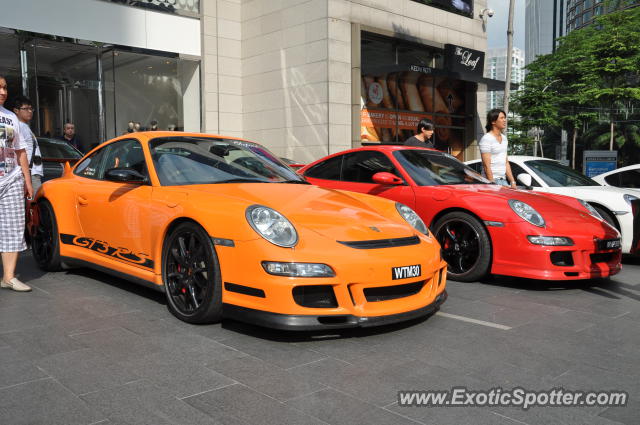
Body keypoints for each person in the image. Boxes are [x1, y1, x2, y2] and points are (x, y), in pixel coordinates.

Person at [0, 76, 34, 291]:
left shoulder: (11, 117)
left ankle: (8, 277)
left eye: (4, 87)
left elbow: (20, 151)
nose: (2, 91)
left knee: (13, 226)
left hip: (11, 177)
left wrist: (27, 180)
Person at [13, 96, 44, 194]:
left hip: (33, 170)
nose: (30, 111)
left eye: (31, 109)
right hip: (30, 172)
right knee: (34, 202)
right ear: (16, 111)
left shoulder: (24, 126)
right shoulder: (19, 126)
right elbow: (19, 151)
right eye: (26, 109)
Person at [479, 108, 516, 188]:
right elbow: (486, 165)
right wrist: (492, 184)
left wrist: (512, 182)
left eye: (505, 118)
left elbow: (505, 162)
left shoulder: (504, 138)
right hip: (491, 181)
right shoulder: (487, 138)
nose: (505, 120)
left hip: (503, 180)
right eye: (501, 118)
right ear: (493, 122)